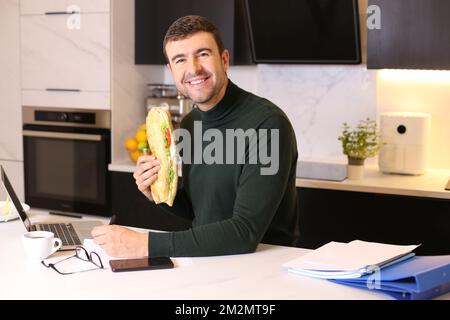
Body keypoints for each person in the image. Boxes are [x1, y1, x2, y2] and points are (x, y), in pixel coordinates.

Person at [92, 15, 299, 258]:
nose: (193, 68)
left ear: (224, 59)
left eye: (203, 54)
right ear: (171, 70)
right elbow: (200, 211)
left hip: (262, 264)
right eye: (180, 60)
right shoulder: (190, 124)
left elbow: (244, 233)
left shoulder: (267, 125)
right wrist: (159, 192)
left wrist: (143, 244)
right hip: (210, 259)